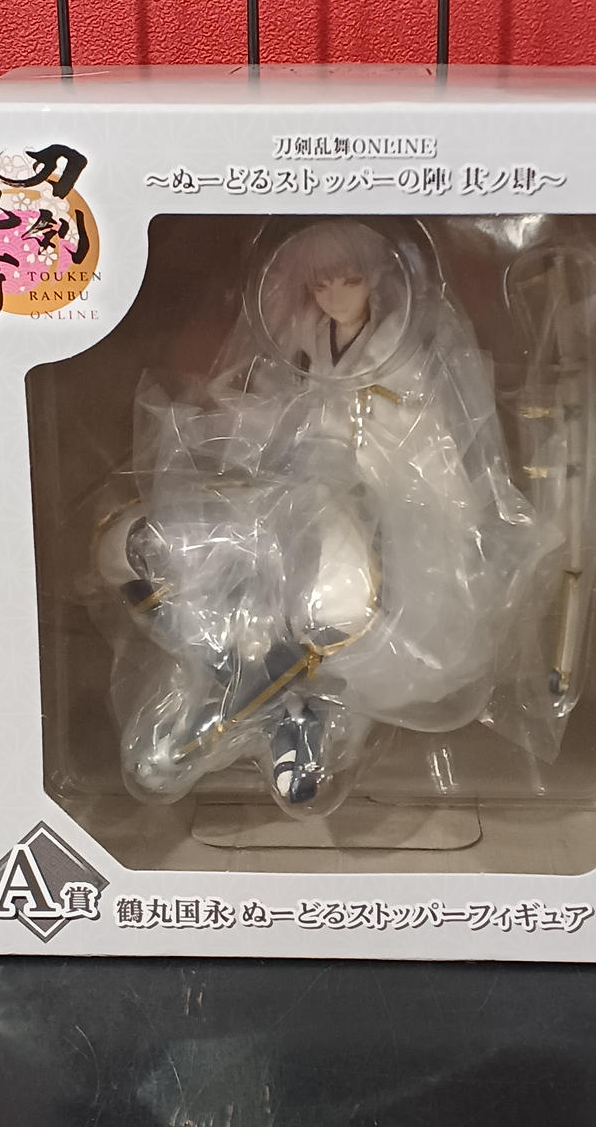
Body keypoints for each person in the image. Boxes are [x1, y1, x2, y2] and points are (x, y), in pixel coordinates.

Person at [97, 219, 538, 818]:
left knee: (337, 604)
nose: (334, 295)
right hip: (306, 487)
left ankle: (277, 719)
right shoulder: (305, 344)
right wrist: (265, 444)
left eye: (348, 280)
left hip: (374, 504)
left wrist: (401, 496)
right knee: (198, 565)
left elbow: (428, 448)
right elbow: (276, 412)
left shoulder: (401, 356)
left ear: (374, 282)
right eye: (322, 284)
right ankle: (254, 703)